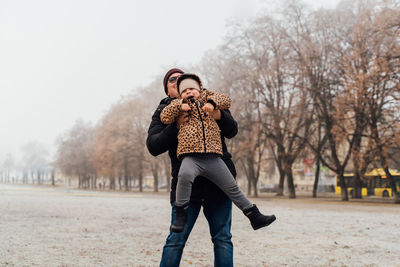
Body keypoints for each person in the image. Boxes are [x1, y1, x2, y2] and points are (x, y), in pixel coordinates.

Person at [160, 73, 276, 233]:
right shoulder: (178, 105)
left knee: (231, 186)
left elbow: (226, 99)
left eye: (192, 89)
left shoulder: (208, 97)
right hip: (190, 155)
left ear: (200, 89)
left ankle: (254, 216)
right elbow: (164, 117)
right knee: (184, 176)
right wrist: (178, 106)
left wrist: (213, 104)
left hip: (213, 156)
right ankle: (181, 215)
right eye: (184, 91)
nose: (188, 92)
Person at [146, 68, 237, 267]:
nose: (178, 81)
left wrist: (218, 115)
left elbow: (232, 130)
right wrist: (175, 125)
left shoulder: (209, 100)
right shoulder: (163, 112)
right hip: (187, 186)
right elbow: (153, 146)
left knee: (223, 239)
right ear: (169, 91)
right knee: (176, 240)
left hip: (218, 184)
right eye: (172, 80)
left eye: (183, 78)